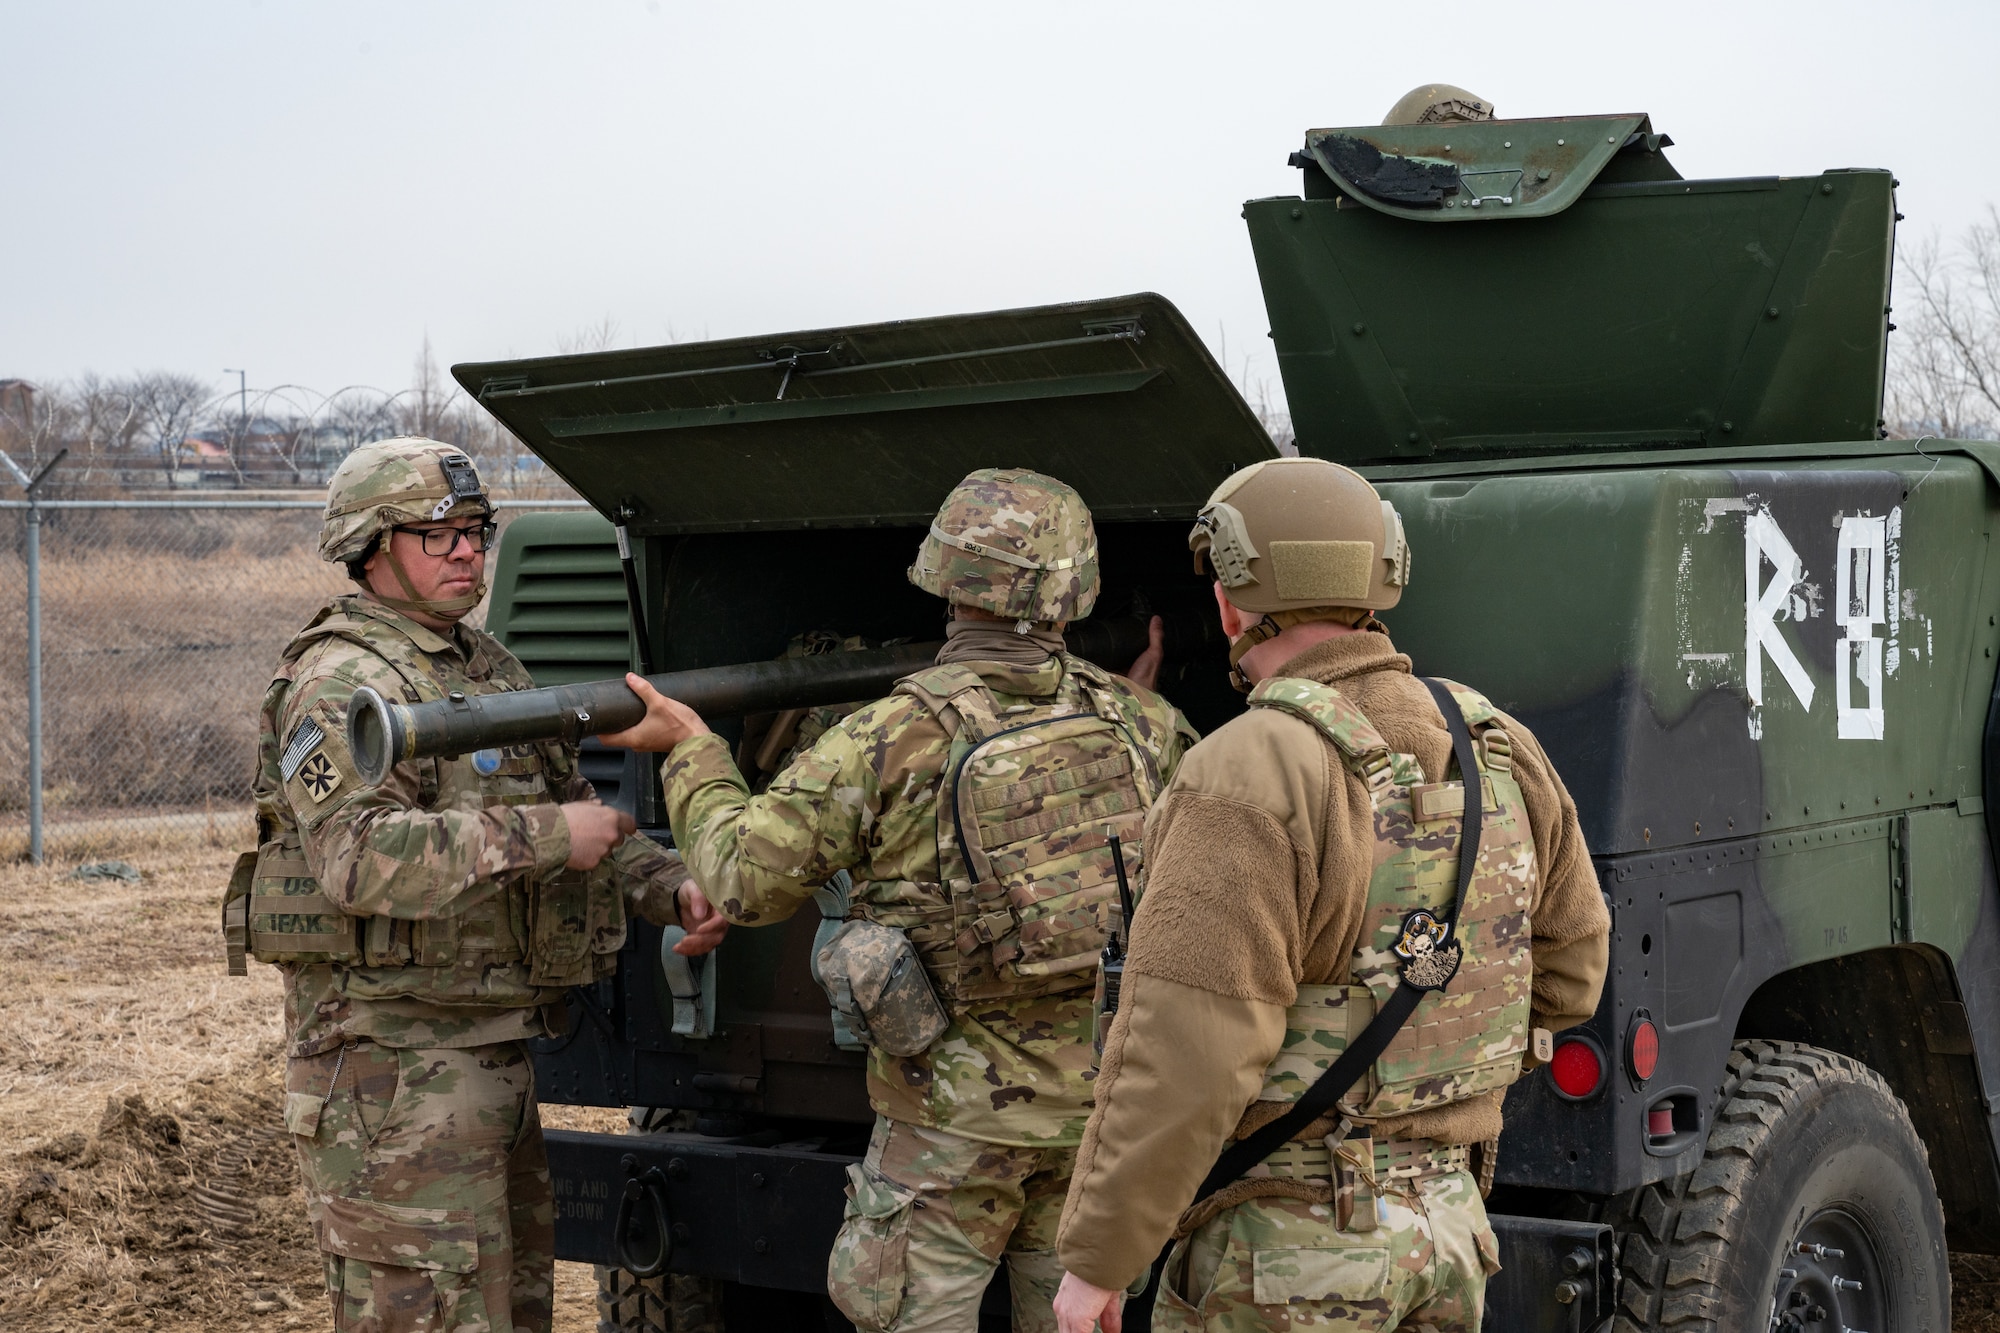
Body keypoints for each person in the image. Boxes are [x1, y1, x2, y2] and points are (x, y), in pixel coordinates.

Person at [599, 467, 1198, 1333]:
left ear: (946, 582)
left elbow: (739, 875)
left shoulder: (891, 733)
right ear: (1073, 590)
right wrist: (1143, 694)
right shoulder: (1143, 722)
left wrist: (691, 748)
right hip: (1094, 1126)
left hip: (945, 1132)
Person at [1049, 457, 1610, 1333]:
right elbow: (1573, 974)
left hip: (1283, 1256)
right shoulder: (1497, 741)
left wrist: (1098, 1261)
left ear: (1234, 601)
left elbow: (1185, 1053)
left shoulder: (1249, 768)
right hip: (1452, 1235)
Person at [240, 436, 726, 1333]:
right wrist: (548, 837)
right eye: (439, 534)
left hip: (492, 1058)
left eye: (477, 530)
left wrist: (672, 888)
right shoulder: (339, 680)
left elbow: (579, 809)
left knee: (513, 1312)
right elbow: (359, 856)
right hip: (389, 1077)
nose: (468, 550)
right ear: (372, 546)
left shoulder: (482, 664)